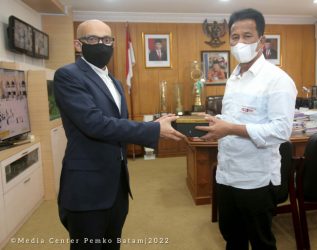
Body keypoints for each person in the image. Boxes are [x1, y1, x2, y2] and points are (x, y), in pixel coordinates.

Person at [53, 19, 185, 250]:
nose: (101, 45)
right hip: (87, 188)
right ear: (77, 44)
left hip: (116, 185)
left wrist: (152, 127)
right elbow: (95, 124)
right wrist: (153, 129)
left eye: (107, 40)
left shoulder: (113, 81)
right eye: (92, 39)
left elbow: (118, 124)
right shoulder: (68, 75)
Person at [196, 8, 297, 250]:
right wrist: (216, 120)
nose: (239, 42)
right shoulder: (234, 76)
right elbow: (235, 117)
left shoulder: (278, 79)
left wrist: (229, 127)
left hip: (256, 179)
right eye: (234, 36)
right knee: (232, 238)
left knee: (261, 242)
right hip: (227, 173)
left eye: (247, 36)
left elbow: (281, 131)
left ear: (261, 41)